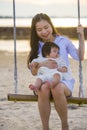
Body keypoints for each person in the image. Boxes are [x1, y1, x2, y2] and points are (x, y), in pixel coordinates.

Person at [27, 13, 84, 130]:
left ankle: (64, 125)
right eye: (39, 29)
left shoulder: (63, 41)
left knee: (57, 87)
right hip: (45, 81)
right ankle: (45, 128)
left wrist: (82, 36)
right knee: (43, 88)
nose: (44, 32)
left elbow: (80, 57)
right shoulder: (37, 46)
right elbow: (34, 72)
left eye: (46, 27)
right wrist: (42, 64)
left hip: (64, 81)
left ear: (51, 25)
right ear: (35, 31)